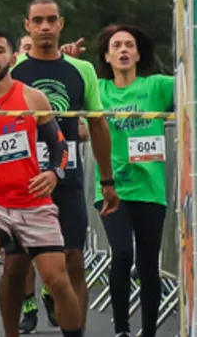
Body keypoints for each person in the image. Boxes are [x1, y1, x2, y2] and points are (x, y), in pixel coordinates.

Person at [0, 29, 83, 337]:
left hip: (33, 204)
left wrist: (54, 173)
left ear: (12, 58)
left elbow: (59, 146)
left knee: (58, 280)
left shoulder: (33, 98)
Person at [7, 0, 119, 335]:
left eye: (51, 20)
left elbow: (97, 125)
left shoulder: (81, 70)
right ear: (27, 26)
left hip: (66, 179)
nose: (44, 27)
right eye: (37, 20)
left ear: (61, 24)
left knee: (73, 261)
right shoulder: (14, 69)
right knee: (16, 265)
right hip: (22, 182)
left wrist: (107, 181)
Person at [91, 24, 173, 337]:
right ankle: (122, 329)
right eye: (116, 46)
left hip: (150, 188)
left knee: (148, 264)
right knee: (123, 254)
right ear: (107, 56)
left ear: (138, 55)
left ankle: (149, 331)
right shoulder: (99, 90)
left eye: (129, 45)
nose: (123, 50)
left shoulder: (157, 86)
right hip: (112, 187)